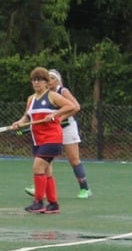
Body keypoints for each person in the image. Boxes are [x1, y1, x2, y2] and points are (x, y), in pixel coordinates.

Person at [11, 67, 80, 214]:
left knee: (37, 167)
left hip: (52, 138)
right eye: (34, 80)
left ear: (46, 82)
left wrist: (56, 114)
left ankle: (38, 202)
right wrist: (18, 123)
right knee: (47, 171)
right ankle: (53, 204)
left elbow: (71, 106)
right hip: (38, 140)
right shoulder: (30, 99)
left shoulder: (52, 96)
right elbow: (27, 117)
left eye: (40, 80)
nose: (36, 83)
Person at [33, 69, 92, 199]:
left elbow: (75, 107)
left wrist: (60, 117)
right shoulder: (42, 94)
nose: (50, 81)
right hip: (52, 130)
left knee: (73, 159)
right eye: (48, 78)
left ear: (57, 80)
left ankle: (85, 188)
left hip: (67, 127)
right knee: (45, 158)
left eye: (52, 78)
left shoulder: (62, 91)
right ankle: (41, 188)